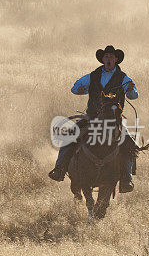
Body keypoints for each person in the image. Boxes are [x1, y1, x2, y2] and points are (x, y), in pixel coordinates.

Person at [48, 45, 139, 193]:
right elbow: (75, 88)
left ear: (116, 59)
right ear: (103, 59)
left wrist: (130, 89)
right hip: (92, 117)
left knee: (130, 144)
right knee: (69, 137)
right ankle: (59, 169)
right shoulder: (93, 76)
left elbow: (133, 96)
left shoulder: (124, 78)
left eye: (111, 57)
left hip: (115, 120)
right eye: (106, 57)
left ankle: (126, 179)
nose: (109, 59)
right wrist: (80, 89)